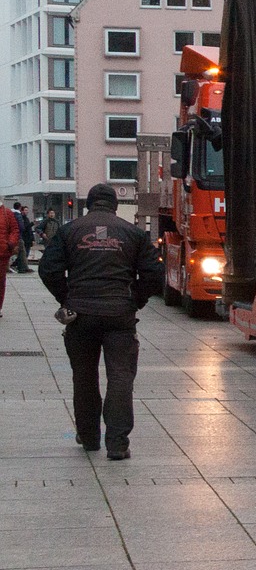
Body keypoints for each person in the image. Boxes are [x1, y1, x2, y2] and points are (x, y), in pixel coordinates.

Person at [38, 184, 164, 460]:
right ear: (115, 206)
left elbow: (48, 269)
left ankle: (89, 437)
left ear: (88, 205)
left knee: (84, 377)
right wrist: (135, 300)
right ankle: (117, 443)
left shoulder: (69, 230)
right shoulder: (133, 234)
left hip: (80, 315)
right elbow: (154, 273)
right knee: (120, 376)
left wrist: (67, 296)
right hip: (119, 314)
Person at [0, 203, 16, 317]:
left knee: (0, 282)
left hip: (2, 253)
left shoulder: (7, 213)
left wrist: (10, 243)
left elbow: (15, 230)